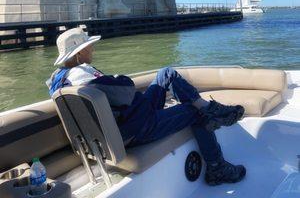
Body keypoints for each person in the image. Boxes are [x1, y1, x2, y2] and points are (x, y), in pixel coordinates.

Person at [47, 28, 246, 186]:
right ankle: (216, 167)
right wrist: (118, 78)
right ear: (80, 53)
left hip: (130, 119)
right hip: (137, 128)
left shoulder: (59, 80)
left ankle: (212, 108)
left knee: (166, 73)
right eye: (90, 46)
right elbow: (125, 88)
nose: (93, 49)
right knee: (196, 112)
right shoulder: (83, 74)